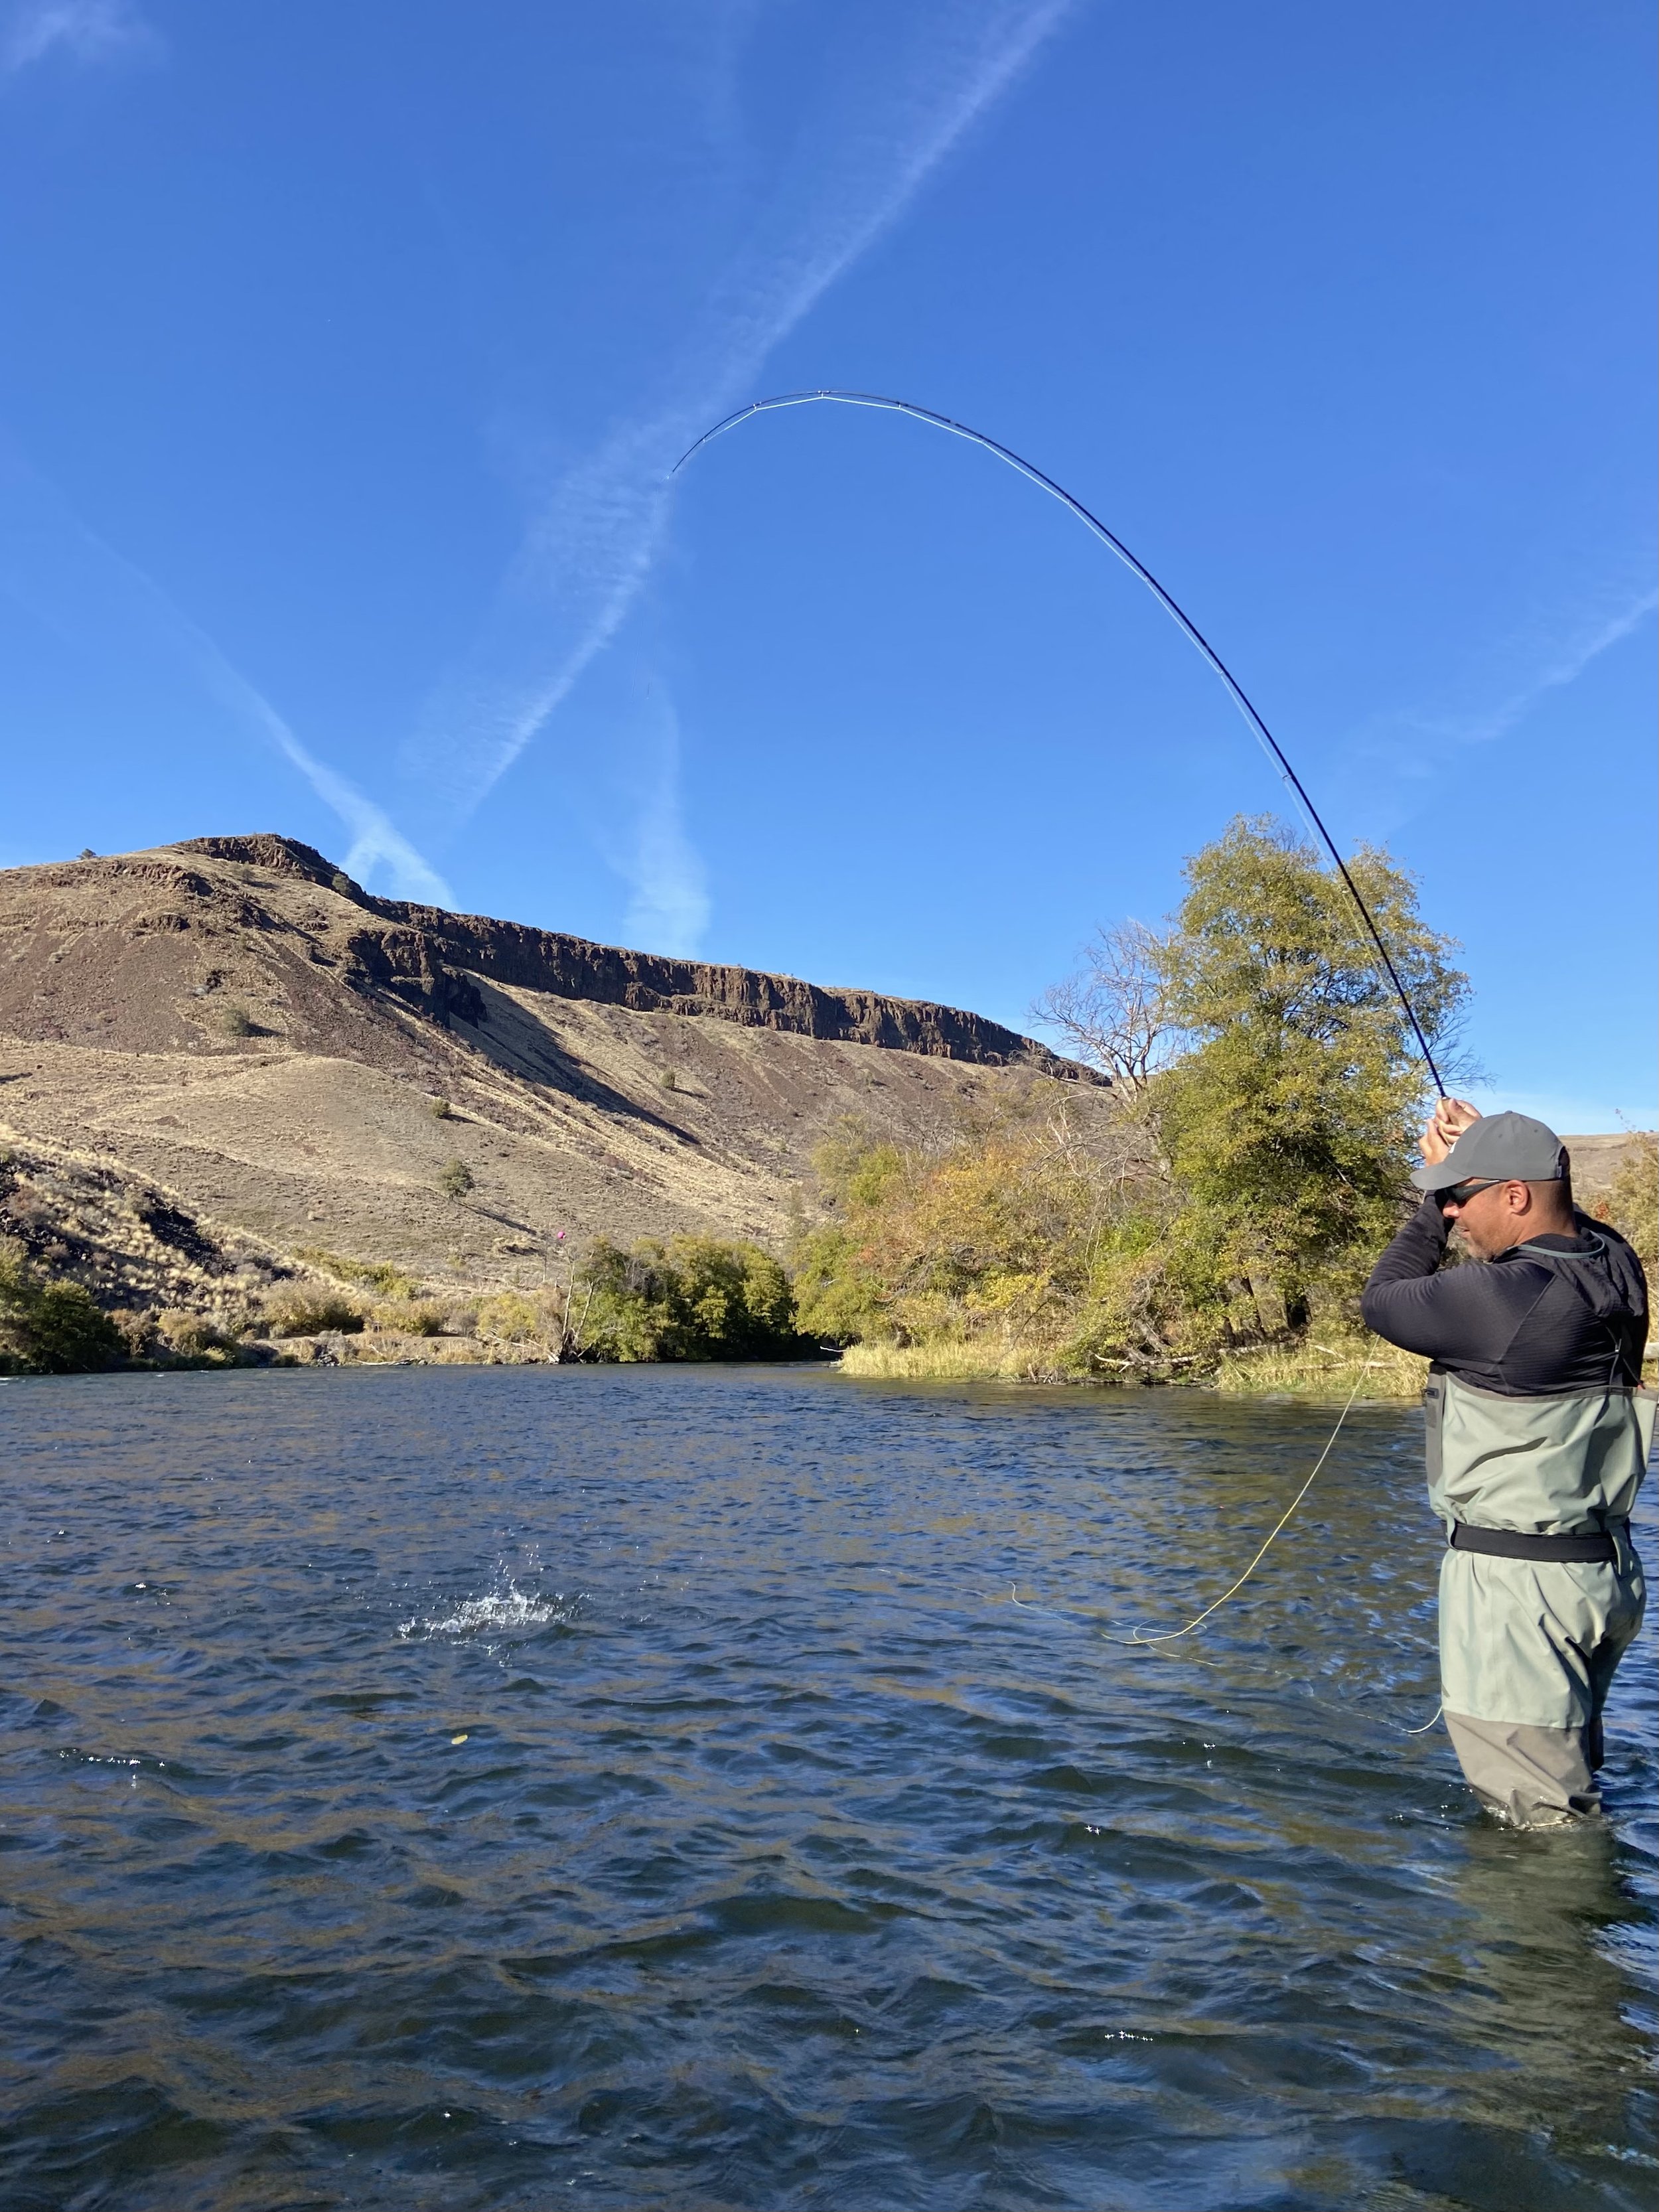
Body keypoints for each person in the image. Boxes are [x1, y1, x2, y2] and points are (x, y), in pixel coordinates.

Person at [1361, 1104, 1653, 1826]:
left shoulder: (1503, 1298)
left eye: (1463, 1198)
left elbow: (1383, 1299)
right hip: (1600, 1574)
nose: (1456, 1214)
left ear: (1515, 1196)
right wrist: (1484, 1154)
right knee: (1571, 1784)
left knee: (1542, 1823)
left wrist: (1426, 1211)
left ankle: (1550, 1938)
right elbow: (1571, 1221)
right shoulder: (1616, 1266)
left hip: (1520, 1591)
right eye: (1448, 1201)